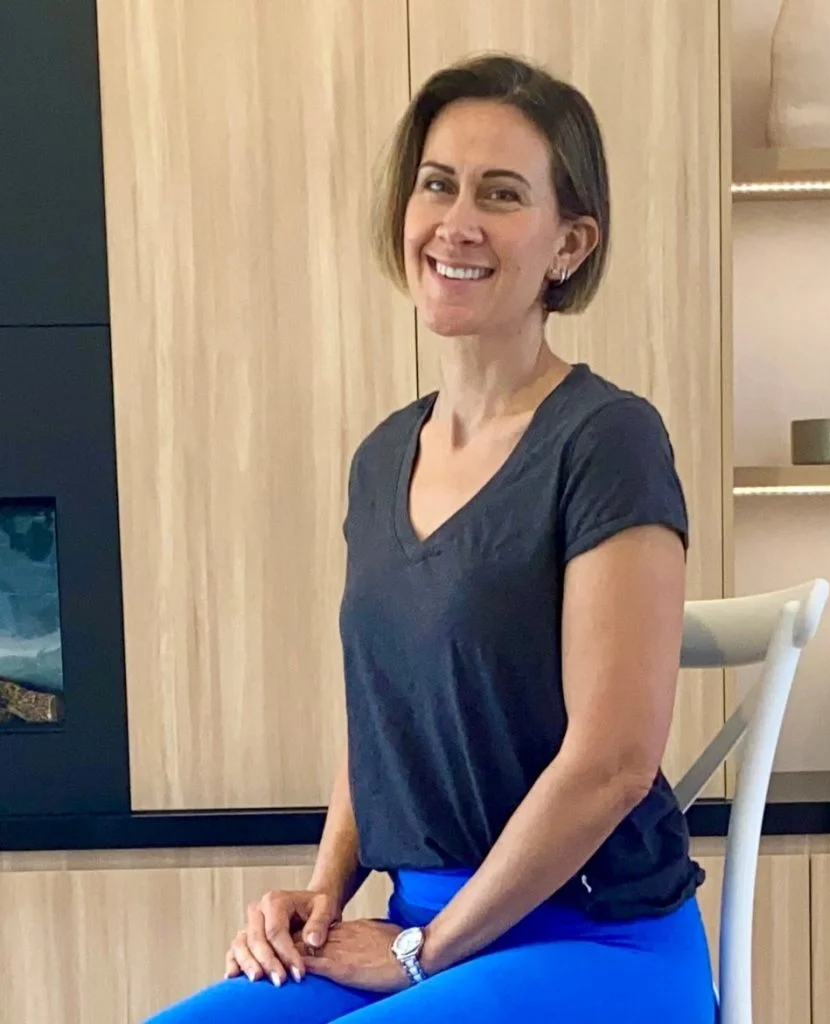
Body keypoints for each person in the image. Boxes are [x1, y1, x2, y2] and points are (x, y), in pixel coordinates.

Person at [147, 52, 717, 1024]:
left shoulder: (607, 440)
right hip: (419, 931)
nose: (456, 222)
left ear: (569, 243)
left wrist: (421, 952)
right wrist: (323, 899)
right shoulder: (380, 461)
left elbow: (616, 761)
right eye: (436, 184)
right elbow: (386, 719)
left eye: (501, 194)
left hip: (592, 937)